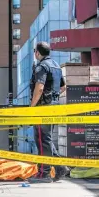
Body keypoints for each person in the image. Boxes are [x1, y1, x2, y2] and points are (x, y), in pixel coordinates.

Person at [28, 41, 68, 183]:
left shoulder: (42, 66)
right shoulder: (56, 66)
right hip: (54, 107)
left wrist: (32, 107)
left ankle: (43, 173)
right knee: (47, 139)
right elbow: (63, 87)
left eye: (35, 52)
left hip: (43, 108)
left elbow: (39, 88)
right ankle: (60, 168)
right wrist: (52, 97)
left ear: (37, 53)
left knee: (41, 139)